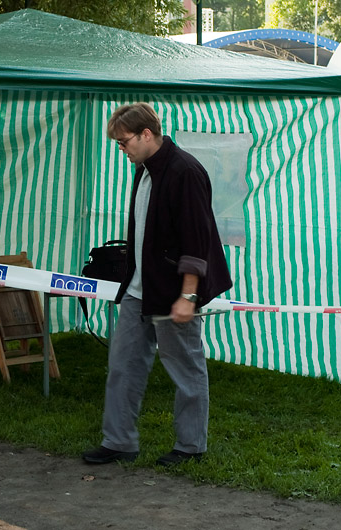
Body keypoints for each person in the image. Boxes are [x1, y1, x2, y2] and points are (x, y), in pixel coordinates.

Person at [82, 103, 232, 467]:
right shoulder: (144, 169)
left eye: (124, 141)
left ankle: (191, 446)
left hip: (174, 293)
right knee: (123, 366)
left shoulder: (185, 172)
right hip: (138, 291)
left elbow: (196, 241)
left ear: (146, 134)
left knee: (186, 369)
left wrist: (188, 295)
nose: (122, 149)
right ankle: (119, 441)